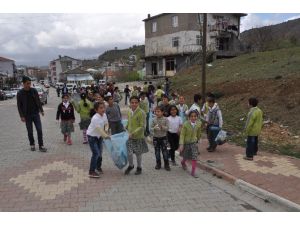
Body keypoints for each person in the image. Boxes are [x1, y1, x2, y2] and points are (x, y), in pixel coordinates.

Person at [17, 76, 47, 152]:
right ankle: (32, 144)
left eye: (30, 83)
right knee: (30, 131)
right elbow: (19, 106)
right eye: (27, 83)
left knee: (39, 130)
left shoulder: (34, 91)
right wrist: (22, 116)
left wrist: (41, 110)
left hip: (35, 114)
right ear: (23, 84)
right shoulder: (20, 93)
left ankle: (41, 146)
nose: (29, 85)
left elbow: (38, 101)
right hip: (27, 115)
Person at [124, 96, 149, 175]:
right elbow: (129, 121)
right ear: (130, 103)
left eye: (136, 102)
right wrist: (126, 127)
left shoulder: (142, 113)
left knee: (138, 153)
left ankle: (139, 167)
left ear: (138, 103)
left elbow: (142, 126)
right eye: (132, 102)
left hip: (138, 137)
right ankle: (131, 165)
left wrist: (133, 133)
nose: (134, 104)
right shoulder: (129, 111)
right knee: (129, 152)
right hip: (129, 136)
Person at [86, 102, 110, 178]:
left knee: (100, 153)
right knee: (96, 153)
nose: (103, 109)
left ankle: (98, 167)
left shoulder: (104, 115)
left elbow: (106, 124)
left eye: (103, 107)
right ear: (96, 110)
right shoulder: (95, 118)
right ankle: (91, 171)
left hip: (99, 137)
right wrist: (106, 136)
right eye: (101, 108)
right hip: (92, 137)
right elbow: (99, 129)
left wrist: (106, 130)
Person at [179, 111, 202, 178]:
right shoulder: (185, 124)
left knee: (194, 156)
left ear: (197, 117)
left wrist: (199, 139)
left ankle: (193, 172)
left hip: (194, 143)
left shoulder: (198, 124)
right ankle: (183, 162)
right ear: (189, 117)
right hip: (186, 143)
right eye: (191, 116)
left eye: (195, 116)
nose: (193, 118)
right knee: (185, 156)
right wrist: (181, 144)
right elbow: (182, 135)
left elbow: (199, 132)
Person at [151, 106, 170, 171]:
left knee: (165, 151)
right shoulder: (153, 119)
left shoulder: (166, 119)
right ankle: (158, 164)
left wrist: (162, 127)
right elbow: (150, 128)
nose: (157, 113)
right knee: (157, 151)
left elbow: (167, 128)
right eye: (156, 111)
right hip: (156, 138)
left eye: (158, 111)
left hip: (163, 138)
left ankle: (166, 164)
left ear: (162, 112)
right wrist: (154, 128)